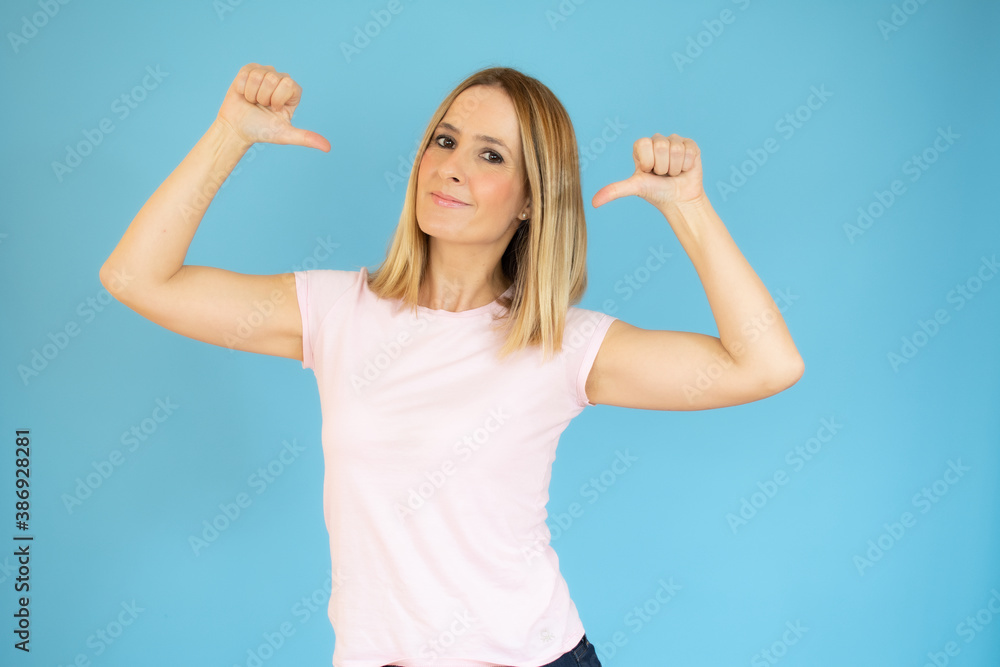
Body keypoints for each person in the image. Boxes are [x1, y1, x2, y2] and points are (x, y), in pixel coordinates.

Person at [100, 63, 803, 667]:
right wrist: (230, 135)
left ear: (532, 199)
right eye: (445, 139)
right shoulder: (335, 311)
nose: (453, 166)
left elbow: (765, 363)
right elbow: (137, 277)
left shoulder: (562, 344)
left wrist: (688, 207)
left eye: (492, 155)